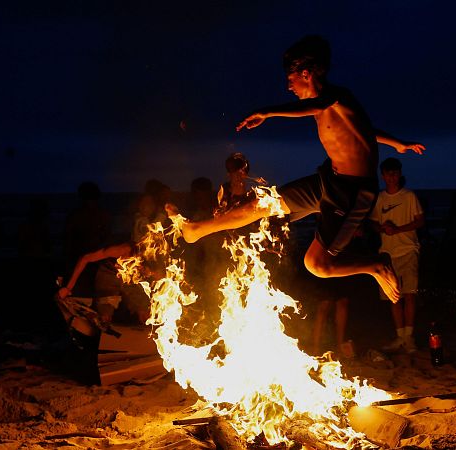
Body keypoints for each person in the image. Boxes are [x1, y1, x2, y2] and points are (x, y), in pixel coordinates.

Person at [179, 35, 425, 303]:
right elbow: (365, 131)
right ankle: (199, 230)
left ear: (305, 74)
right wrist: (397, 143)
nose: (289, 87)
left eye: (290, 79)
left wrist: (268, 112)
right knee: (266, 204)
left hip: (352, 193)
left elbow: (314, 106)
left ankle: (374, 265)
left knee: (317, 265)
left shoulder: (335, 97)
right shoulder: (331, 106)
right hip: (329, 179)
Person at [369, 158, 425, 352]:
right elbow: (374, 223)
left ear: (399, 174)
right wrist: (383, 228)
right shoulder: (380, 198)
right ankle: (399, 336)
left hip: (408, 249)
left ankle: (409, 338)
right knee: (394, 296)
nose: (391, 177)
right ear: (383, 176)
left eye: (394, 173)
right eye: (388, 173)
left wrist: (398, 229)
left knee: (409, 294)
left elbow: (420, 221)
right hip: (387, 253)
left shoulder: (409, 196)